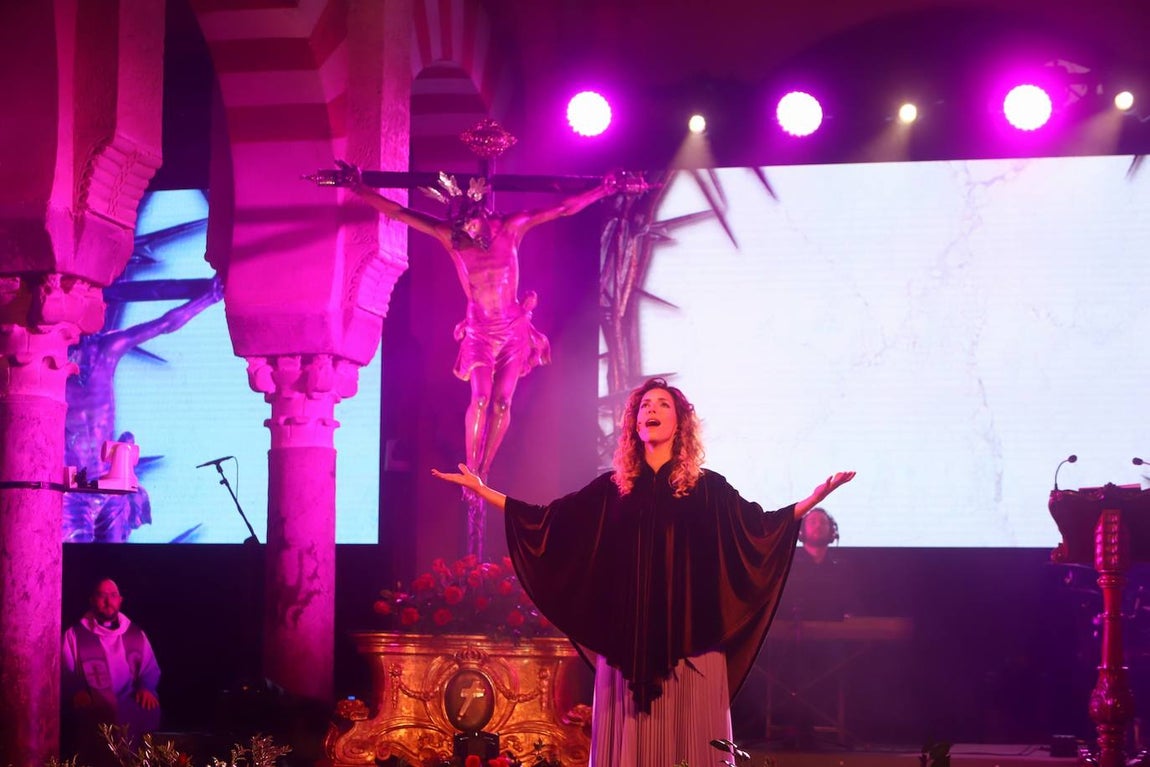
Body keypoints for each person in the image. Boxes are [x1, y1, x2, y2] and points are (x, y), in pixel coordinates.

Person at [432, 377, 855, 767]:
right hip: (628, 645)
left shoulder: (707, 488)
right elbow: (548, 523)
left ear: (680, 421)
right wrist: (483, 491)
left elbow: (758, 528)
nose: (651, 410)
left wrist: (811, 500)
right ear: (634, 424)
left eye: (662, 404)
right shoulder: (612, 490)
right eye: (644, 405)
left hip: (692, 643)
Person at [343, 163, 622, 484]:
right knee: (479, 398)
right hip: (479, 333)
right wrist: (358, 189)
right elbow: (398, 212)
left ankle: (483, 470)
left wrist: (604, 189)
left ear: (480, 211)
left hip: (512, 331)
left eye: (470, 224)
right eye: (460, 227)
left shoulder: (512, 227)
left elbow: (561, 208)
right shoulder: (451, 236)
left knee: (502, 403)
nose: (467, 233)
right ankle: (471, 467)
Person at [64, 276, 223, 542]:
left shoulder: (105, 349)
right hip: (72, 486)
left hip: (108, 481)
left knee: (111, 566)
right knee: (73, 562)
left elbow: (164, 324)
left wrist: (209, 298)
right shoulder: (51, 358)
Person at [62, 578, 162, 765]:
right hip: (93, 701)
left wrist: (146, 687)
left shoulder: (135, 634)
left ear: (120, 600)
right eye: (102, 596)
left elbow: (150, 667)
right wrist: (77, 690)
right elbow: (65, 669)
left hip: (130, 699)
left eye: (113, 596)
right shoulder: (75, 634)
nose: (108, 601)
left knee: (147, 708)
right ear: (92, 600)